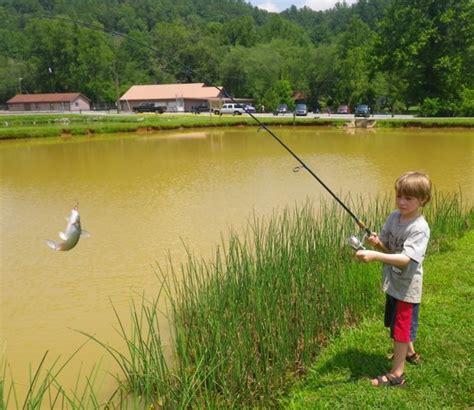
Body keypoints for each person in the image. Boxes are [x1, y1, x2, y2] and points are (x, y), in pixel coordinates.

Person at [356, 171, 432, 387]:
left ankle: (396, 375)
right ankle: (409, 353)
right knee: (396, 321)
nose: (402, 202)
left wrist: (374, 256)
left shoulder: (419, 228)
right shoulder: (393, 217)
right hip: (392, 282)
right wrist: (376, 244)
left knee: (401, 328)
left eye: (408, 198)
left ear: (423, 200)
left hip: (408, 287)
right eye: (399, 196)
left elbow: (406, 259)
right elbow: (387, 246)